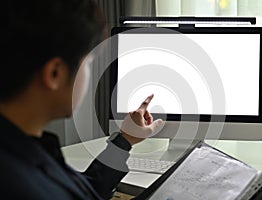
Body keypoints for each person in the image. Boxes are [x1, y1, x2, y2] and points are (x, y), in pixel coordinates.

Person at [0, 0, 163, 199]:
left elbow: (85, 191)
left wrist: (125, 140)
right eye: (88, 63)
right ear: (55, 73)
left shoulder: (24, 150)